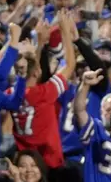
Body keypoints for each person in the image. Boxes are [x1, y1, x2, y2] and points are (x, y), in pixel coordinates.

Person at [11, 10, 76, 169]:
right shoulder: (44, 93)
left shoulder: (10, 94)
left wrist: (39, 44)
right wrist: (66, 32)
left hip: (23, 163)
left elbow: (32, 68)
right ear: (37, 72)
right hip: (48, 163)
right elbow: (70, 65)